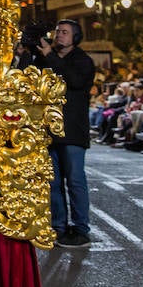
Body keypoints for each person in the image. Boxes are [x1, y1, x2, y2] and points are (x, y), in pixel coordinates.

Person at [35, 19, 95, 248]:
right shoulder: (48, 59)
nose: (59, 35)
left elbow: (74, 80)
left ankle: (81, 229)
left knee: (76, 180)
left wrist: (51, 56)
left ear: (75, 38)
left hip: (72, 131)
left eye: (65, 32)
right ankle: (58, 227)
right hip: (51, 130)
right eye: (57, 31)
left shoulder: (83, 61)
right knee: (53, 182)